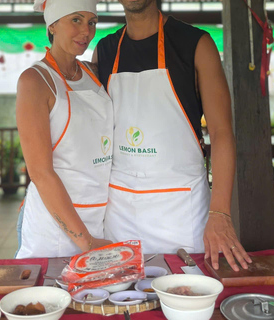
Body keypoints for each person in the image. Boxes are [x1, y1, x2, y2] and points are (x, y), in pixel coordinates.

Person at [92, 0, 252, 271]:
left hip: (181, 211)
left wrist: (220, 212)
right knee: (123, 303)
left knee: (187, 298)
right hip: (120, 212)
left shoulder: (196, 44)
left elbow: (222, 133)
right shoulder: (104, 50)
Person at [15, 0, 113, 258]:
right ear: (53, 25)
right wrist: (86, 242)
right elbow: (41, 172)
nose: (86, 32)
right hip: (54, 227)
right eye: (76, 20)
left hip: (99, 216)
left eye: (92, 22)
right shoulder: (35, 80)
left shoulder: (93, 74)